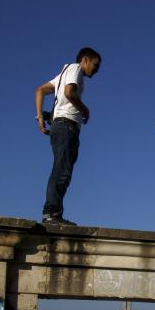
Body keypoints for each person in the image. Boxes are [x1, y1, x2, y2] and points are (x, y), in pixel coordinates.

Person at [35, 47, 103, 225]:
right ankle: (51, 213)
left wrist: (40, 118)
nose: (96, 70)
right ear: (86, 60)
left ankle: (54, 212)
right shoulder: (75, 69)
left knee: (62, 169)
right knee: (62, 171)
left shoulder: (64, 73)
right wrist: (85, 109)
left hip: (60, 125)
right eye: (95, 65)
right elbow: (69, 92)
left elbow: (40, 90)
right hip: (66, 126)